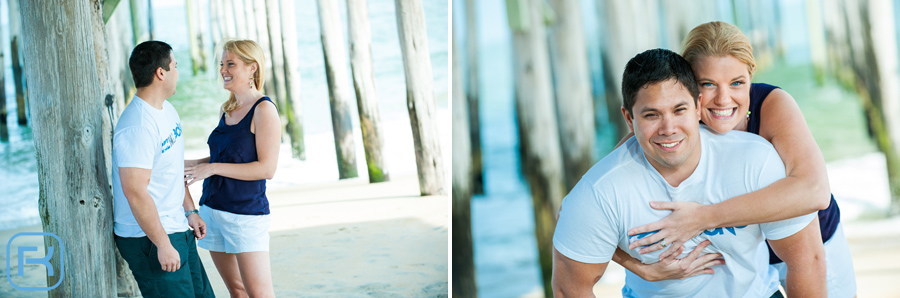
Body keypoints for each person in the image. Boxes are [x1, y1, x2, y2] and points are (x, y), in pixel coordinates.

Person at [551, 48, 826, 297]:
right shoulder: (602, 190)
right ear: (628, 118)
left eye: (679, 110)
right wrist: (638, 267)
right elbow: (569, 288)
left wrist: (707, 218)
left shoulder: (754, 160)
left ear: (697, 107)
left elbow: (807, 260)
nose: (668, 128)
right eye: (651, 115)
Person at [615, 21, 856, 297]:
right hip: (739, 259)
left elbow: (815, 191)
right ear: (689, 85)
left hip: (811, 245)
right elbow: (585, 209)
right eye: (708, 84)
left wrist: (703, 218)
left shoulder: (773, 105)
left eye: (737, 83)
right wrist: (640, 268)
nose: (723, 99)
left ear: (751, 77)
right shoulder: (673, 128)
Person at [113, 40, 215, 298]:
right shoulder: (137, 126)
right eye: (175, 67)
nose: (178, 73)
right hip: (148, 238)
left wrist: (189, 210)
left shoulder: (166, 110)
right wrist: (162, 244)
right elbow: (134, 192)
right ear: (161, 73)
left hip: (176, 227)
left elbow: (170, 169)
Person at [183, 39, 280, 298]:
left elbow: (266, 169)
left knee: (259, 294)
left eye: (231, 64)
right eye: (222, 64)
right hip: (212, 211)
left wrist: (212, 168)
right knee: (236, 291)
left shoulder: (264, 110)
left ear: (252, 69)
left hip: (245, 215)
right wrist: (192, 165)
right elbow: (223, 157)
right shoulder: (226, 109)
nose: (223, 70)